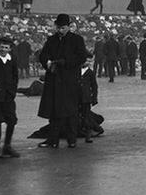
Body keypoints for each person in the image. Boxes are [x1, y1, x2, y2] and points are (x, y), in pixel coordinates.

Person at [36, 13, 89, 148]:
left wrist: (65, 62)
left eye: (63, 28)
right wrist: (47, 62)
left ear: (69, 27)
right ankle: (52, 140)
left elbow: (81, 57)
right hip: (54, 79)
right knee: (54, 111)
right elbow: (43, 54)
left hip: (70, 79)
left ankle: (72, 139)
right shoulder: (51, 40)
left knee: (71, 111)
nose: (60, 30)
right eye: (58, 28)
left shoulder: (77, 40)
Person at [78, 53, 100, 143]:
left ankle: (88, 134)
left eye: (90, 61)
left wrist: (94, 98)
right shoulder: (75, 71)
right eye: (87, 61)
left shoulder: (91, 73)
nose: (88, 63)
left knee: (86, 116)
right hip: (76, 97)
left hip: (86, 97)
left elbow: (94, 86)